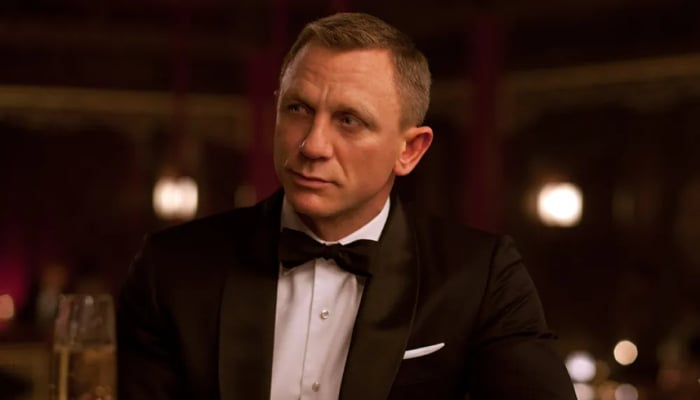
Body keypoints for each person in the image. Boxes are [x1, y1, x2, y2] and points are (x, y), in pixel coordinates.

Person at [117, 12, 576, 400]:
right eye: (298, 109)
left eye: (349, 120)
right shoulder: (170, 268)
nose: (313, 145)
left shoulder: (482, 276)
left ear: (409, 150)